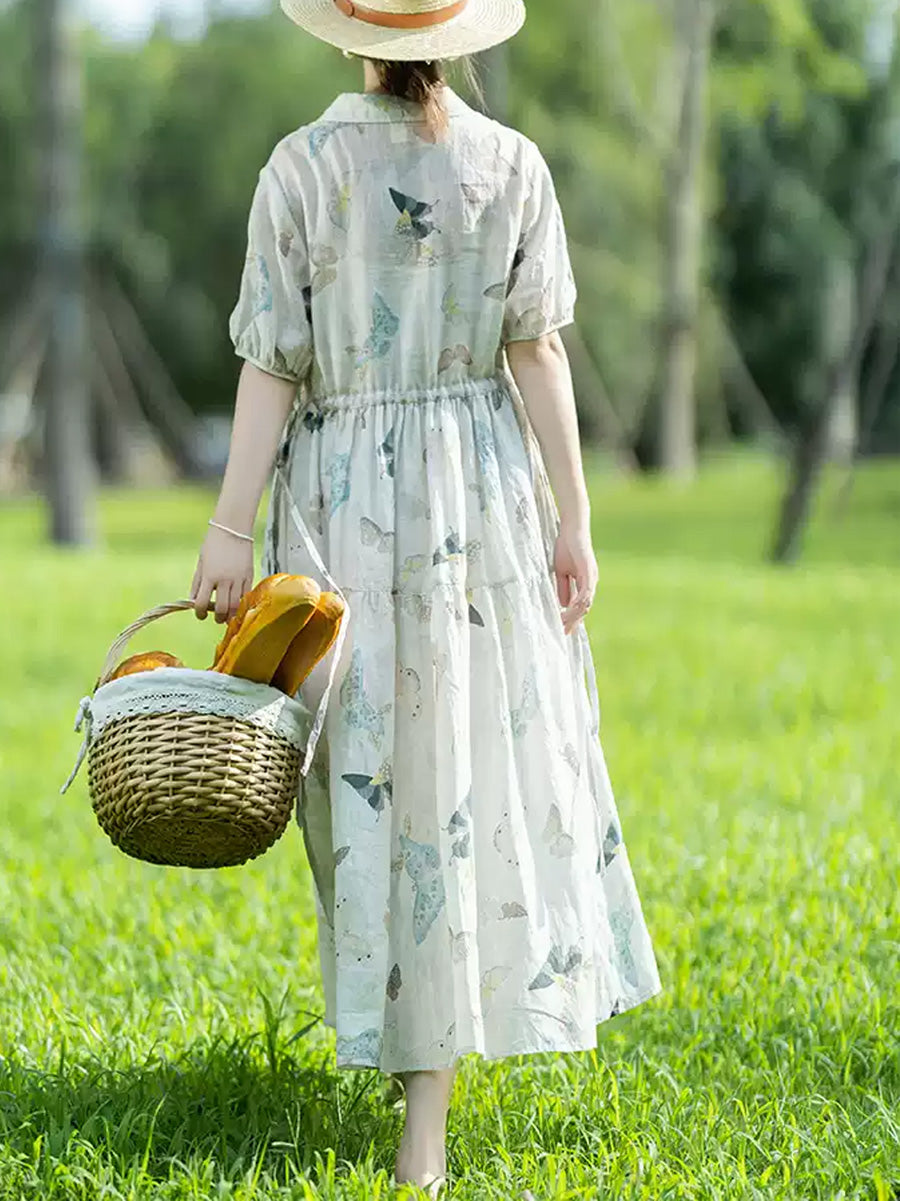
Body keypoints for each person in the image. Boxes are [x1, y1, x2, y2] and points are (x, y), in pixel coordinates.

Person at [190, 1, 664, 1194]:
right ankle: (427, 1112)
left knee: (376, 785)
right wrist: (573, 517)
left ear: (351, 37)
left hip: (343, 504)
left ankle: (422, 1114)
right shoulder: (511, 166)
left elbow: (271, 362)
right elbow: (537, 352)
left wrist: (230, 529)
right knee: (460, 772)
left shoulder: (302, 168)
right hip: (478, 501)